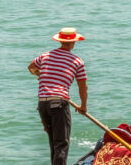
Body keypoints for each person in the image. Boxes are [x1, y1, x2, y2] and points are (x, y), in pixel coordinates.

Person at [29, 27, 88, 165]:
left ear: (60, 41)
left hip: (43, 103)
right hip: (59, 103)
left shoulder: (45, 56)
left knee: (54, 143)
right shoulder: (77, 61)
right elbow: (83, 87)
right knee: (61, 144)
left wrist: (41, 75)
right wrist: (83, 106)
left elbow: (31, 68)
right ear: (73, 42)